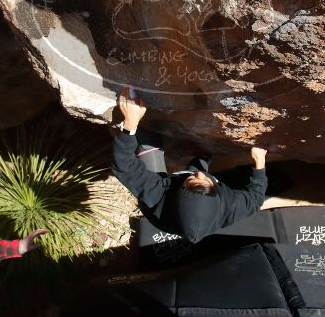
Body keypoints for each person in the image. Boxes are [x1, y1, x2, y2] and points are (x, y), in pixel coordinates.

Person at [112, 88, 268, 243]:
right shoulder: (230, 207)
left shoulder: (157, 197)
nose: (199, 176)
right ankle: (204, 157)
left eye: (191, 181)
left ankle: (133, 119)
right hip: (194, 188)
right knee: (199, 166)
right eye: (205, 182)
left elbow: (124, 166)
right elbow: (256, 199)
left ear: (180, 189)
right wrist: (260, 161)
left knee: (146, 140)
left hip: (163, 201)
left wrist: (130, 124)